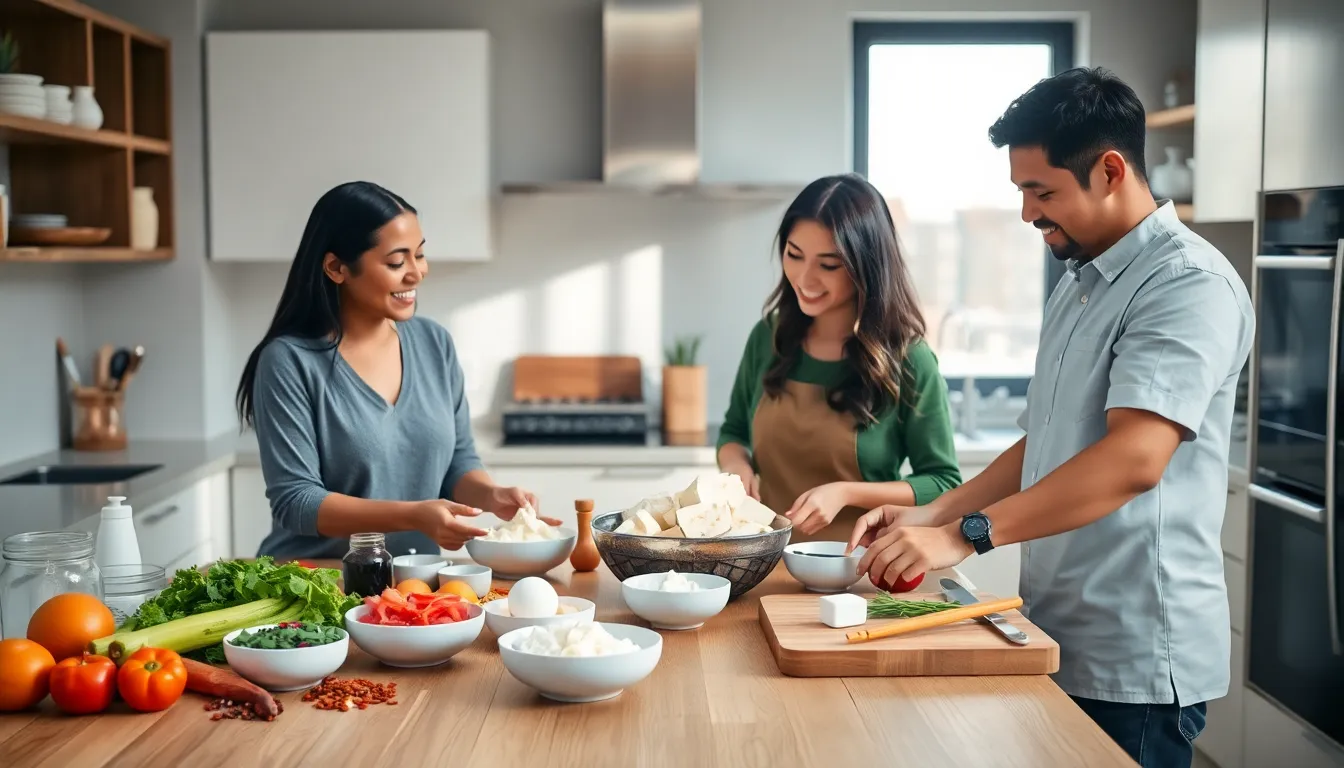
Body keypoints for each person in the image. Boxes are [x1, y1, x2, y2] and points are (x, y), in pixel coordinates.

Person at [846, 68, 1254, 768]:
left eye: (1042, 192)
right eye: (1021, 192)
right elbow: (1048, 440)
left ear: (1110, 171)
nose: (1027, 213)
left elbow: (1133, 460)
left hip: (1135, 655)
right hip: (1055, 631)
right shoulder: (1080, 281)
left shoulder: (1187, 283)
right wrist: (935, 514)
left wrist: (967, 536)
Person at [236, 181, 554, 560]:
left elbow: (457, 460)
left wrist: (491, 495)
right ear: (337, 268)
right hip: (316, 579)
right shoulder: (288, 361)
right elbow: (297, 501)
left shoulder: (434, 343)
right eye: (396, 262)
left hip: (413, 581)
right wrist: (414, 515)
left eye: (420, 255)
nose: (416, 273)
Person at [716, 173, 961, 543]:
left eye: (828, 265)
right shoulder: (768, 337)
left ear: (867, 266)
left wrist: (847, 493)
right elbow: (734, 431)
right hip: (765, 559)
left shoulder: (909, 359)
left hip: (859, 564)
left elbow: (943, 482)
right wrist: (736, 465)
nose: (804, 278)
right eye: (794, 255)